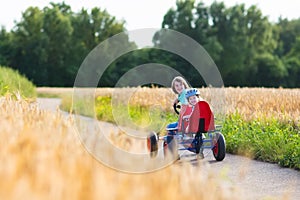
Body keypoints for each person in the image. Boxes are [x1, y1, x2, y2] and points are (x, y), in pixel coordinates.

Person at [184, 88, 215, 159]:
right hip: (203, 124)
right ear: (188, 101)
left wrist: (187, 117)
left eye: (194, 98)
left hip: (198, 124)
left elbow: (193, 115)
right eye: (190, 99)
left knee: (187, 130)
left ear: (198, 98)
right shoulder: (203, 105)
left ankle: (195, 146)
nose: (193, 100)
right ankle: (197, 143)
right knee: (198, 134)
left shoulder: (197, 107)